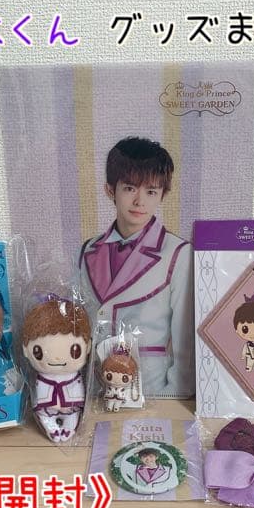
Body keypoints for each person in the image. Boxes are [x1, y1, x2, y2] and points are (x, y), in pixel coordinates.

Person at [79, 137, 194, 398]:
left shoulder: (178, 253)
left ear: (162, 195)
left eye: (151, 191)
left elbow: (185, 341)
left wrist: (174, 398)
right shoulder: (86, 251)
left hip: (151, 392)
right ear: (110, 190)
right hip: (95, 391)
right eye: (130, 188)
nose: (140, 201)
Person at [22, 299, 91, 442]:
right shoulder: (41, 378)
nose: (57, 358)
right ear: (26, 350)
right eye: (38, 351)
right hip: (46, 409)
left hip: (71, 408)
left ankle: (68, 428)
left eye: (74, 350)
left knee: (72, 415)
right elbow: (39, 398)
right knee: (44, 415)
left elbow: (77, 396)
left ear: (88, 347)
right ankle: (52, 429)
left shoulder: (74, 378)